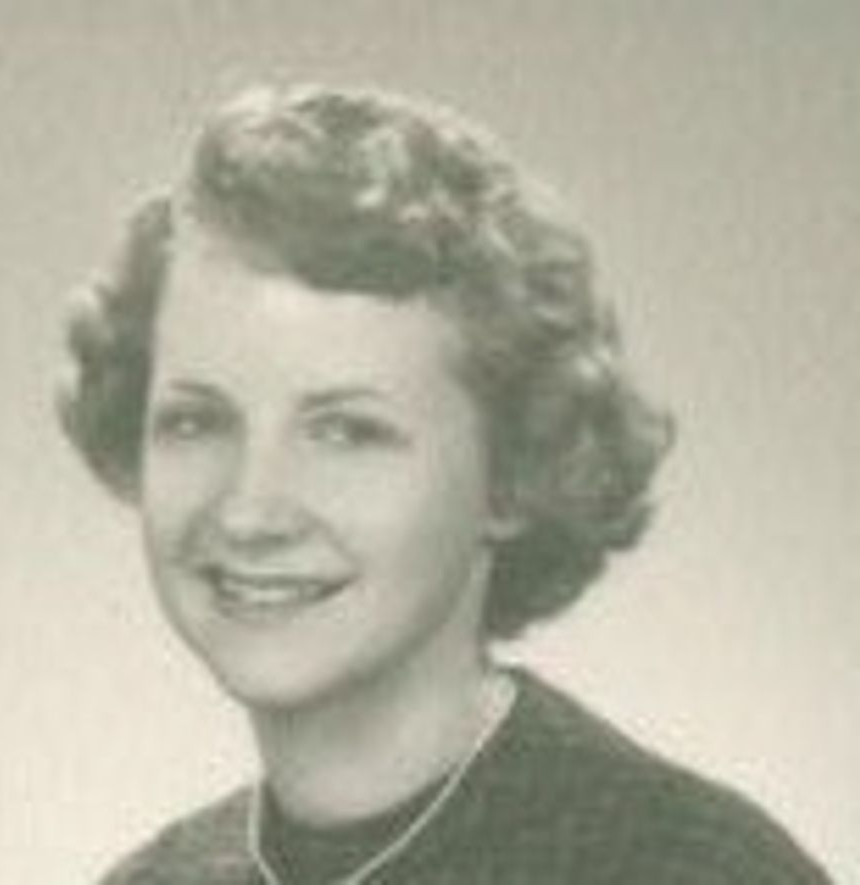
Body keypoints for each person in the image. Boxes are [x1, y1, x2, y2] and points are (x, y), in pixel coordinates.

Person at [57, 84, 830, 884]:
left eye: (347, 432)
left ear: (511, 474)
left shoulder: (684, 867)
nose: (250, 510)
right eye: (196, 421)